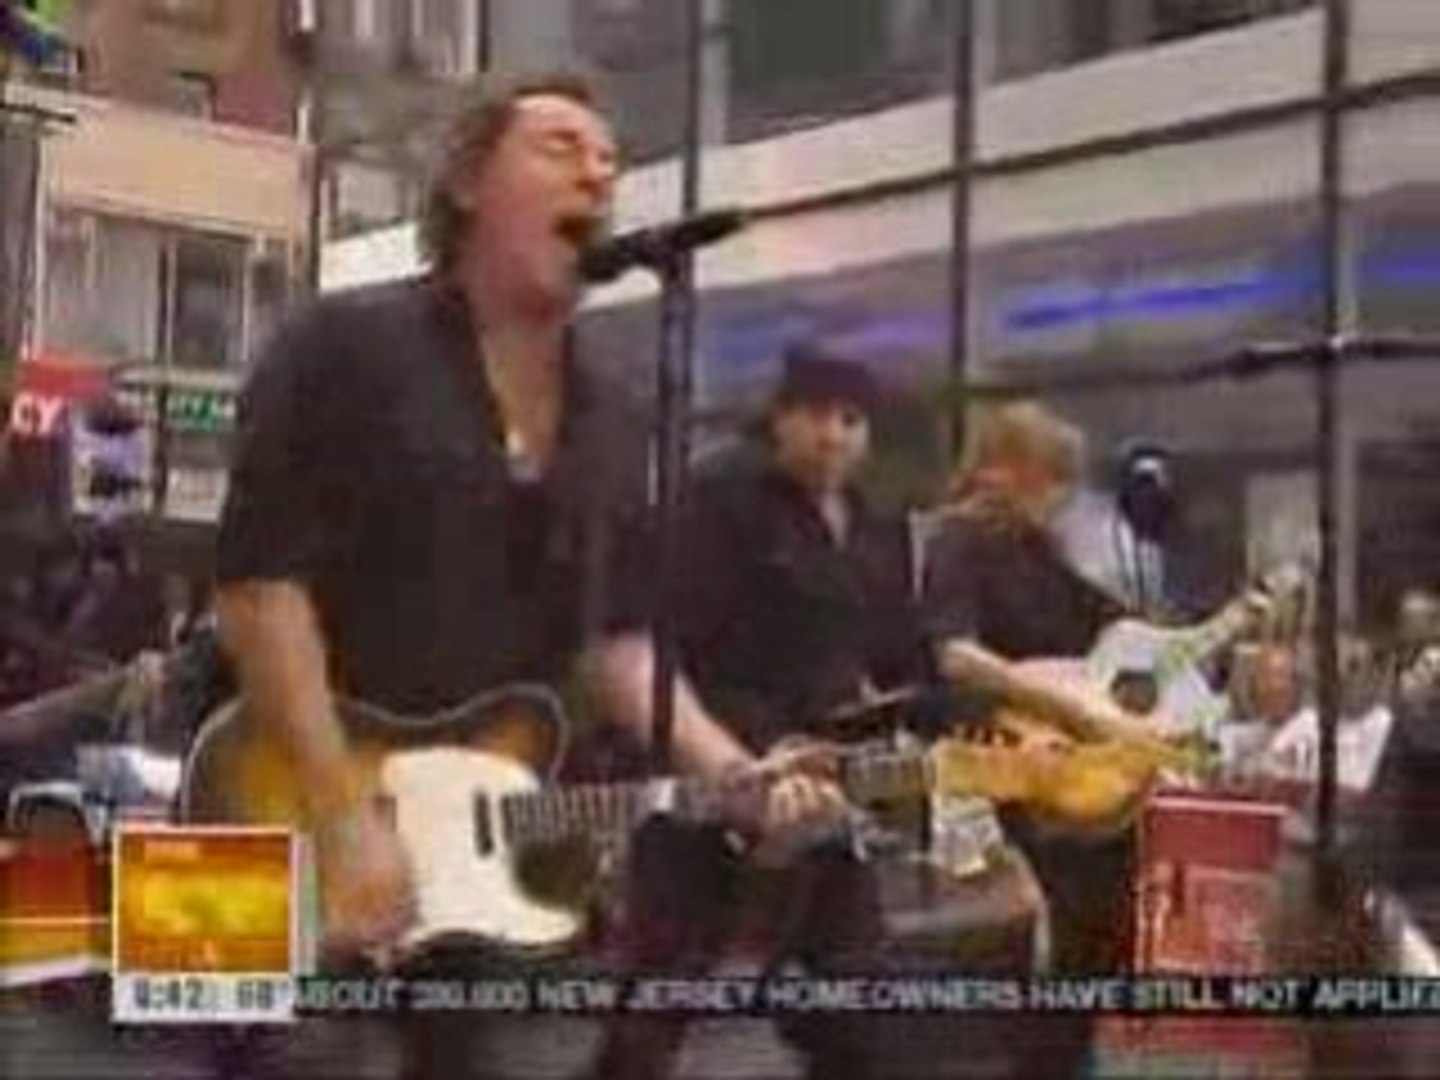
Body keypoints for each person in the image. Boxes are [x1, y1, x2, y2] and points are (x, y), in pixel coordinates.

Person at [213, 71, 844, 1080]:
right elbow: (258, 585)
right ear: (468, 181)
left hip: (473, 832)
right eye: (559, 147)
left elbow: (614, 640)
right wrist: (341, 815)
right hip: (268, 789)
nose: (596, 173)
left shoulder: (614, 409)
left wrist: (737, 776)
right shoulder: (343, 344)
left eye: (610, 160)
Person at [596, 345, 925, 1080]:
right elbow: (661, 648)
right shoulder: (719, 497)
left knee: (854, 1001)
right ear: (780, 418)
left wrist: (890, 725)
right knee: (659, 1000)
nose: (833, 435)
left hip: (824, 781)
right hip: (708, 773)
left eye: (851, 420)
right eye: (817, 416)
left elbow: (882, 651)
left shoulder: (869, 522)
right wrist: (739, 759)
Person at [919, 401, 1135, 1077]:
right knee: (1035, 942)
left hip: (1068, 772)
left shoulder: (1046, 553)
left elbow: (1117, 637)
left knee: (1097, 932)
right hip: (998, 765)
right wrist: (1055, 701)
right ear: (1008, 470)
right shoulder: (958, 540)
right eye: (1052, 478)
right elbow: (955, 654)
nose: (1062, 497)